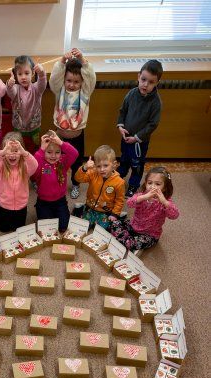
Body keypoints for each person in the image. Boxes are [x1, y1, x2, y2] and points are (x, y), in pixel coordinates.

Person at [49, 48, 96, 200]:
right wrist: (62, 61)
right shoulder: (59, 90)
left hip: (77, 137)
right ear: (64, 80)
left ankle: (76, 184)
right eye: (69, 81)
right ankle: (57, 183)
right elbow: (54, 79)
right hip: (60, 137)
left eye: (76, 82)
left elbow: (91, 78)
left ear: (82, 82)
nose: (72, 85)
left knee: (76, 164)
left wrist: (83, 60)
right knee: (57, 161)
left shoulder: (85, 92)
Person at [117, 59, 163, 197]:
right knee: (124, 159)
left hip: (139, 142)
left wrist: (137, 137)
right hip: (126, 137)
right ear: (138, 77)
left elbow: (153, 124)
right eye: (143, 79)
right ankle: (118, 178)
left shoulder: (156, 102)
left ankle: (133, 185)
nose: (145, 84)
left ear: (157, 83)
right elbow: (123, 111)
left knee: (137, 165)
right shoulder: (131, 93)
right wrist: (120, 126)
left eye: (151, 82)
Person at [110, 166, 179, 251]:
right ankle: (127, 239)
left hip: (149, 234)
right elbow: (129, 203)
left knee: (131, 244)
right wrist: (143, 197)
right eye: (150, 183)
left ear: (164, 187)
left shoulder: (166, 201)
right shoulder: (142, 195)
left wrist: (165, 202)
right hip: (133, 226)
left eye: (157, 184)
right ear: (146, 183)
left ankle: (126, 240)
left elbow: (174, 215)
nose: (152, 187)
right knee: (114, 223)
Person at [0, 132, 37, 232]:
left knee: (18, 229)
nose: (12, 154)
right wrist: (3, 152)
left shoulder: (25, 166)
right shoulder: (1, 166)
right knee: (3, 229)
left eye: (16, 151)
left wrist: (24, 153)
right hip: (4, 205)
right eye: (9, 151)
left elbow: (35, 165)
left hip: (21, 206)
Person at [33, 130, 78, 232]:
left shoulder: (63, 161)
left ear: (61, 152)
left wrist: (61, 143)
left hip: (60, 201)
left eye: (57, 152)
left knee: (64, 227)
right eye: (49, 152)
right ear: (44, 151)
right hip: (43, 202)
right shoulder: (40, 161)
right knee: (47, 229)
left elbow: (75, 153)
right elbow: (33, 165)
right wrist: (41, 150)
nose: (53, 156)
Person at [74, 145, 125, 229]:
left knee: (102, 230)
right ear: (95, 166)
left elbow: (120, 200)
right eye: (98, 166)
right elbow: (78, 178)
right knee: (82, 227)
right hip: (90, 207)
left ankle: (119, 214)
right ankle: (82, 208)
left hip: (105, 212)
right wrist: (84, 168)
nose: (102, 169)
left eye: (105, 165)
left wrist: (115, 213)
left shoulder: (119, 182)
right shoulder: (93, 173)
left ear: (114, 164)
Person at [6, 55, 47, 155]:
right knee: (18, 150)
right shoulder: (16, 88)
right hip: (18, 128)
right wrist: (10, 85)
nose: (23, 77)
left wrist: (41, 73)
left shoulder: (36, 88)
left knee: (34, 150)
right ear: (15, 75)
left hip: (34, 128)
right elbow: (11, 92)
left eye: (26, 73)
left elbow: (42, 83)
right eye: (20, 74)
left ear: (33, 73)